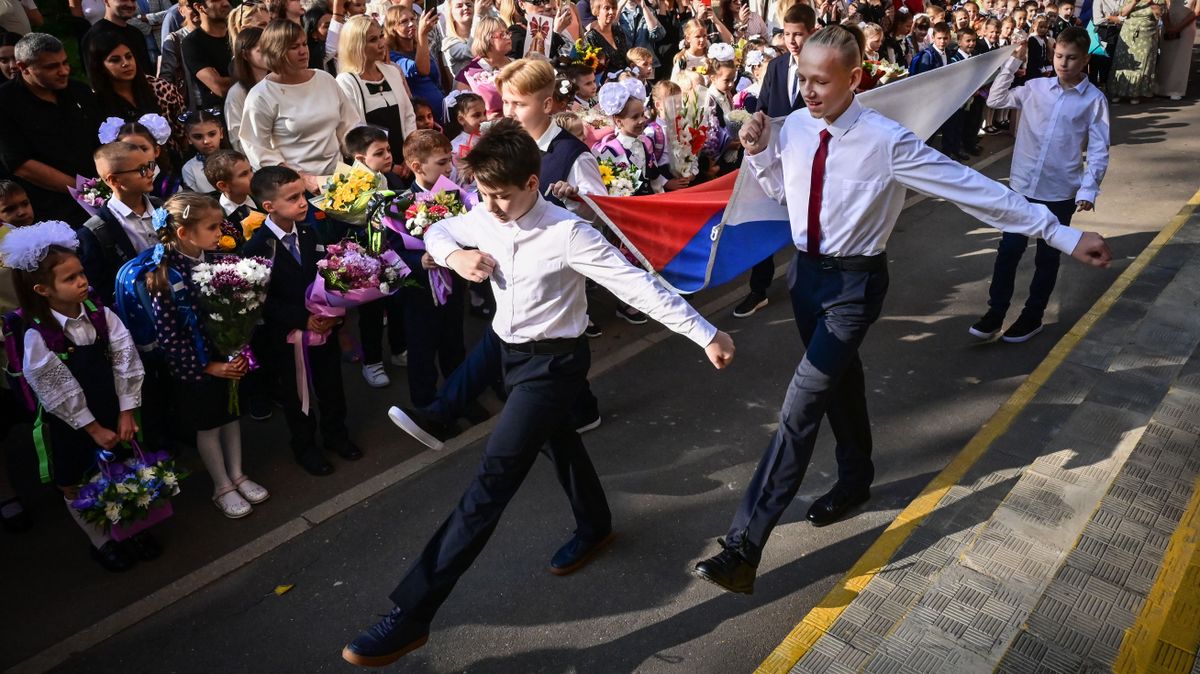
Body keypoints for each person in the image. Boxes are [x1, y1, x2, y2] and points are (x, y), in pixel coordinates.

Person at [692, 24, 1112, 595]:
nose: (809, 92)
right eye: (804, 78)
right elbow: (783, 195)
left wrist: (1060, 233)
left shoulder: (887, 141)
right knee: (839, 381)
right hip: (806, 278)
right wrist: (763, 150)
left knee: (800, 404)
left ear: (855, 79)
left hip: (854, 287)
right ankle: (856, 478)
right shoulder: (792, 129)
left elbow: (973, 189)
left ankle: (744, 546)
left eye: (822, 81)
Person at [341, 118, 735, 667]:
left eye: (502, 196)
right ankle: (595, 525)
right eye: (483, 194)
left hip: (553, 367)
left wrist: (705, 333)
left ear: (532, 182)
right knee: (560, 443)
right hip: (505, 352)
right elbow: (441, 231)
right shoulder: (484, 210)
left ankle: (412, 616)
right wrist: (455, 257)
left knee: (490, 483)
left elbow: (638, 286)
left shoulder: (569, 233)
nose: (491, 206)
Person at [0, 220, 149, 571]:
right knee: (76, 481)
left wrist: (127, 411)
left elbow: (127, 359)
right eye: (70, 279)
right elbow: (54, 386)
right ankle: (101, 540)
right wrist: (92, 428)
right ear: (42, 289)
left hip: (111, 408)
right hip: (73, 423)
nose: (82, 281)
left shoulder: (101, 315)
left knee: (122, 467)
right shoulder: (38, 335)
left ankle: (130, 525)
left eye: (80, 273)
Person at [116, 193, 269, 518]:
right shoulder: (163, 277)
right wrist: (209, 366)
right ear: (184, 232)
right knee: (208, 425)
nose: (219, 233)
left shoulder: (215, 259)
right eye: (212, 227)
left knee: (230, 416)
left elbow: (235, 310)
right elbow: (171, 338)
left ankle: (238, 473)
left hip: (225, 356)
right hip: (198, 367)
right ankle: (221, 485)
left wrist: (237, 348)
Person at [971, 27, 1109, 343]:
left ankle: (1032, 316)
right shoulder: (1035, 88)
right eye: (1059, 56)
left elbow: (1100, 147)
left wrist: (1089, 188)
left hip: (1059, 190)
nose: (1064, 63)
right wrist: (1011, 63)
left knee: (1047, 257)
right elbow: (996, 98)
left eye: (1072, 58)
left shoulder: (1093, 100)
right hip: (1022, 186)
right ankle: (996, 312)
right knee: (1009, 250)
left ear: (1085, 59)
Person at [242, 166, 363, 476]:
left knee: (332, 385)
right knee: (297, 394)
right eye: (292, 198)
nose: (303, 202)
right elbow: (261, 299)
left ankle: (337, 435)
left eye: (302, 194)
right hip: (286, 337)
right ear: (269, 206)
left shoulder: (311, 232)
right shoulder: (256, 248)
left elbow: (328, 275)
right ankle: (305, 446)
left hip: (324, 327)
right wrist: (303, 319)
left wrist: (331, 312)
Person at [731, 2, 814, 320]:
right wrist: (752, 129)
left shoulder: (823, 67)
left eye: (799, 34)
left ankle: (811, 282)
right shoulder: (778, 67)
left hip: (810, 163)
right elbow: (763, 108)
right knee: (761, 218)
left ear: (812, 33)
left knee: (808, 226)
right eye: (788, 34)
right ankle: (759, 289)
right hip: (774, 160)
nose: (793, 41)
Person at [241, 20, 356, 192]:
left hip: (340, 179)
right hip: (295, 188)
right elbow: (257, 148)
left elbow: (349, 125)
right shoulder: (261, 95)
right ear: (276, 51)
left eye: (304, 44)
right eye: (294, 47)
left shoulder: (325, 79)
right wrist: (301, 179)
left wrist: (362, 156)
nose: (303, 51)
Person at [0, 33, 101, 226]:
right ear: (23, 67)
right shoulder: (5, 102)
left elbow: (101, 137)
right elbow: (21, 164)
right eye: (52, 67)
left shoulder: (79, 91)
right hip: (52, 210)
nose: (63, 71)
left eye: (65, 63)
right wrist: (85, 190)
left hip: (100, 190)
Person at [336, 14, 418, 174]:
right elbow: (352, 131)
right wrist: (391, 167)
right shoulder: (346, 81)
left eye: (381, 36)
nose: (382, 44)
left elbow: (409, 115)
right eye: (373, 40)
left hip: (406, 162)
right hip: (374, 170)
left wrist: (410, 154)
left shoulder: (392, 71)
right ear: (356, 46)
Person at [86, 31, 187, 148]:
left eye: (129, 56)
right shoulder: (97, 101)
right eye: (115, 60)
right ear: (100, 66)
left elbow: (183, 131)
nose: (126, 63)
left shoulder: (160, 88)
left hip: (172, 160)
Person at [385, 5, 445, 124]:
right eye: (404, 22)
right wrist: (422, 34)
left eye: (412, 19)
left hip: (442, 114)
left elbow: (435, 79)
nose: (411, 24)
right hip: (422, 121)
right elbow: (422, 70)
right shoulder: (391, 56)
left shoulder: (419, 48)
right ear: (393, 28)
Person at [1107, 0, 1162, 102]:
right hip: (1128, 33)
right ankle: (1117, 92)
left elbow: (1159, 15)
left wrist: (1151, 3)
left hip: (1146, 36)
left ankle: (1135, 93)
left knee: (1142, 63)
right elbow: (1122, 13)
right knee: (1122, 62)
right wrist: (1134, 2)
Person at [80, 0, 154, 77]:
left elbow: (147, 72)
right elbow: (96, 79)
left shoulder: (136, 33)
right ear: (106, 1)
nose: (130, 4)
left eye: (133, 1)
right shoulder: (95, 37)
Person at [182, 0, 233, 107]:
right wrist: (253, 74)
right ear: (199, 7)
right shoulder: (192, 43)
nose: (225, 3)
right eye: (216, 0)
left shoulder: (238, 34)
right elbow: (220, 87)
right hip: (223, 115)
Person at [224, 25, 266, 154]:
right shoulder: (237, 93)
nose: (269, 54)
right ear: (245, 55)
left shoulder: (279, 82)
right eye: (262, 50)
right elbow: (237, 139)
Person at [1154, 0, 1197, 100]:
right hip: (1169, 24)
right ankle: (1159, 88)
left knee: (1181, 58)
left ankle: (1176, 89)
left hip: (1186, 26)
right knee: (1166, 57)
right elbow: (1164, 6)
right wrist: (1168, 25)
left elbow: (1196, 11)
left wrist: (1178, 28)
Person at [179, 109, 224, 192]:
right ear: (189, 139)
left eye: (212, 134)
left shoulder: (236, 160)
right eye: (198, 137)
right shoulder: (189, 169)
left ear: (221, 133)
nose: (206, 141)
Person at [444, 90, 487, 160]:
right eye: (477, 115)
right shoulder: (457, 146)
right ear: (461, 119)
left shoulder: (489, 133)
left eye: (484, 113)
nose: (484, 118)